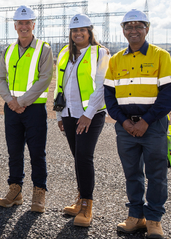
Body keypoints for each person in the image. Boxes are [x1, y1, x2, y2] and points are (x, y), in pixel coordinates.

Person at [104, 9, 171, 239]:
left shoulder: (160, 56)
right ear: (123, 30)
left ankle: (154, 219)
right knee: (132, 173)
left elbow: (168, 96)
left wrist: (145, 121)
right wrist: (124, 121)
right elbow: (109, 95)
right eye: (129, 27)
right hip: (125, 128)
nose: (133, 31)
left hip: (153, 126)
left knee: (156, 174)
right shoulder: (116, 60)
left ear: (147, 28)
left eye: (138, 26)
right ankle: (136, 216)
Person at [0, 5, 53, 213]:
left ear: (33, 25)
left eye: (27, 22)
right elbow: (0, 78)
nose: (23, 26)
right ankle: (15, 189)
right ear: (15, 26)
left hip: (34, 109)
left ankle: (39, 192)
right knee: (14, 152)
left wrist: (22, 101)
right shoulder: (8, 50)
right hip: (11, 108)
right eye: (20, 23)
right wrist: (10, 100)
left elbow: (45, 79)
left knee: (37, 153)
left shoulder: (44, 49)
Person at [55, 14, 110, 227]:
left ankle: (87, 205)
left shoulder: (100, 53)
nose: (78, 34)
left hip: (91, 115)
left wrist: (88, 114)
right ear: (70, 34)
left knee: (84, 157)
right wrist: (60, 114)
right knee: (77, 158)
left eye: (82, 30)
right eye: (74, 31)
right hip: (69, 114)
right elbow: (59, 85)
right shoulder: (64, 54)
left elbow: (102, 86)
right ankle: (80, 199)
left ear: (89, 32)